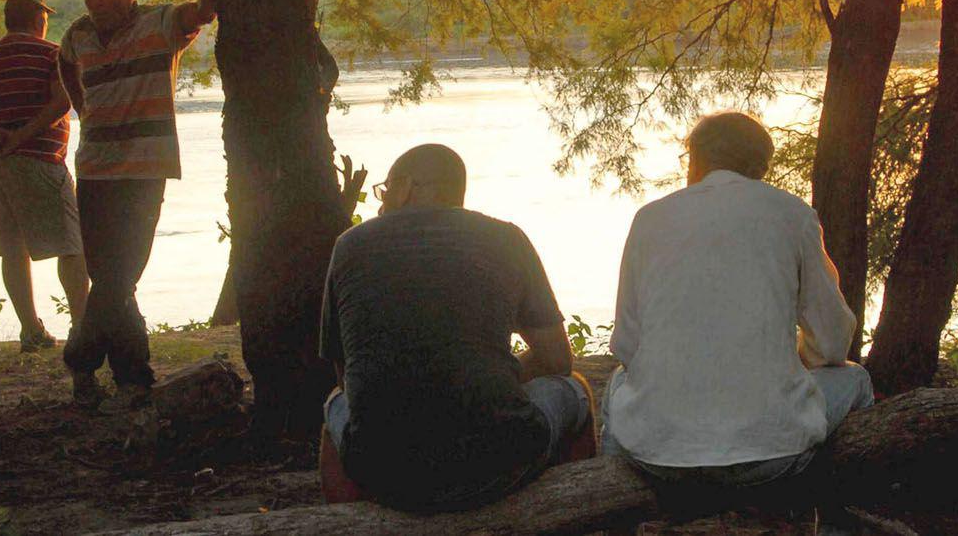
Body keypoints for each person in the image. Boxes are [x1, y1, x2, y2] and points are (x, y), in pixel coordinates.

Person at [601, 111, 873, 488]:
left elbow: (627, 347)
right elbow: (832, 342)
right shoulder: (794, 215)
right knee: (855, 378)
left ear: (695, 159)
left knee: (617, 385)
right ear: (761, 167)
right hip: (773, 456)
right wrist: (792, 359)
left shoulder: (649, 219)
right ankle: (830, 510)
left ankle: (612, 503)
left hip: (660, 459)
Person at [318, 144, 596, 511]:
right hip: (499, 460)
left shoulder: (348, 245)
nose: (382, 203)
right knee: (575, 389)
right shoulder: (507, 238)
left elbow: (346, 380)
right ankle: (578, 513)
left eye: (385, 190)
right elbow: (557, 359)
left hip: (384, 471)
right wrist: (494, 378)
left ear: (403, 187)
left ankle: (348, 522)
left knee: (334, 405)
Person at [58, 0, 216, 413]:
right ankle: (131, 376)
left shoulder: (158, 23)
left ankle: (83, 361)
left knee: (120, 274)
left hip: (144, 168)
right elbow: (65, 62)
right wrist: (81, 107)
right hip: (93, 167)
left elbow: (203, 11)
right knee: (108, 277)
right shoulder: (78, 34)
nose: (96, 0)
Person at [0, 0, 90, 353]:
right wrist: (24, 135)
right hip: (41, 160)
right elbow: (62, 101)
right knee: (71, 244)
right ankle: (83, 328)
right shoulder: (50, 55)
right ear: (38, 20)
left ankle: (31, 329)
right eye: (45, 17)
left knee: (13, 247)